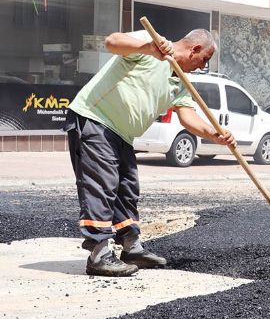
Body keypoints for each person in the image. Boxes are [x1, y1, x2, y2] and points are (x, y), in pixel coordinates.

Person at [65, 29, 236, 277]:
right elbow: (112, 42)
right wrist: (147, 48)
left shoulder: (180, 80)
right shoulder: (152, 41)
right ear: (194, 49)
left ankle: (131, 248)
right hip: (95, 119)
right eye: (204, 60)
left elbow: (188, 117)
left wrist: (213, 134)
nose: (201, 67)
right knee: (102, 186)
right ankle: (99, 255)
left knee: (127, 189)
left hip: (122, 134)